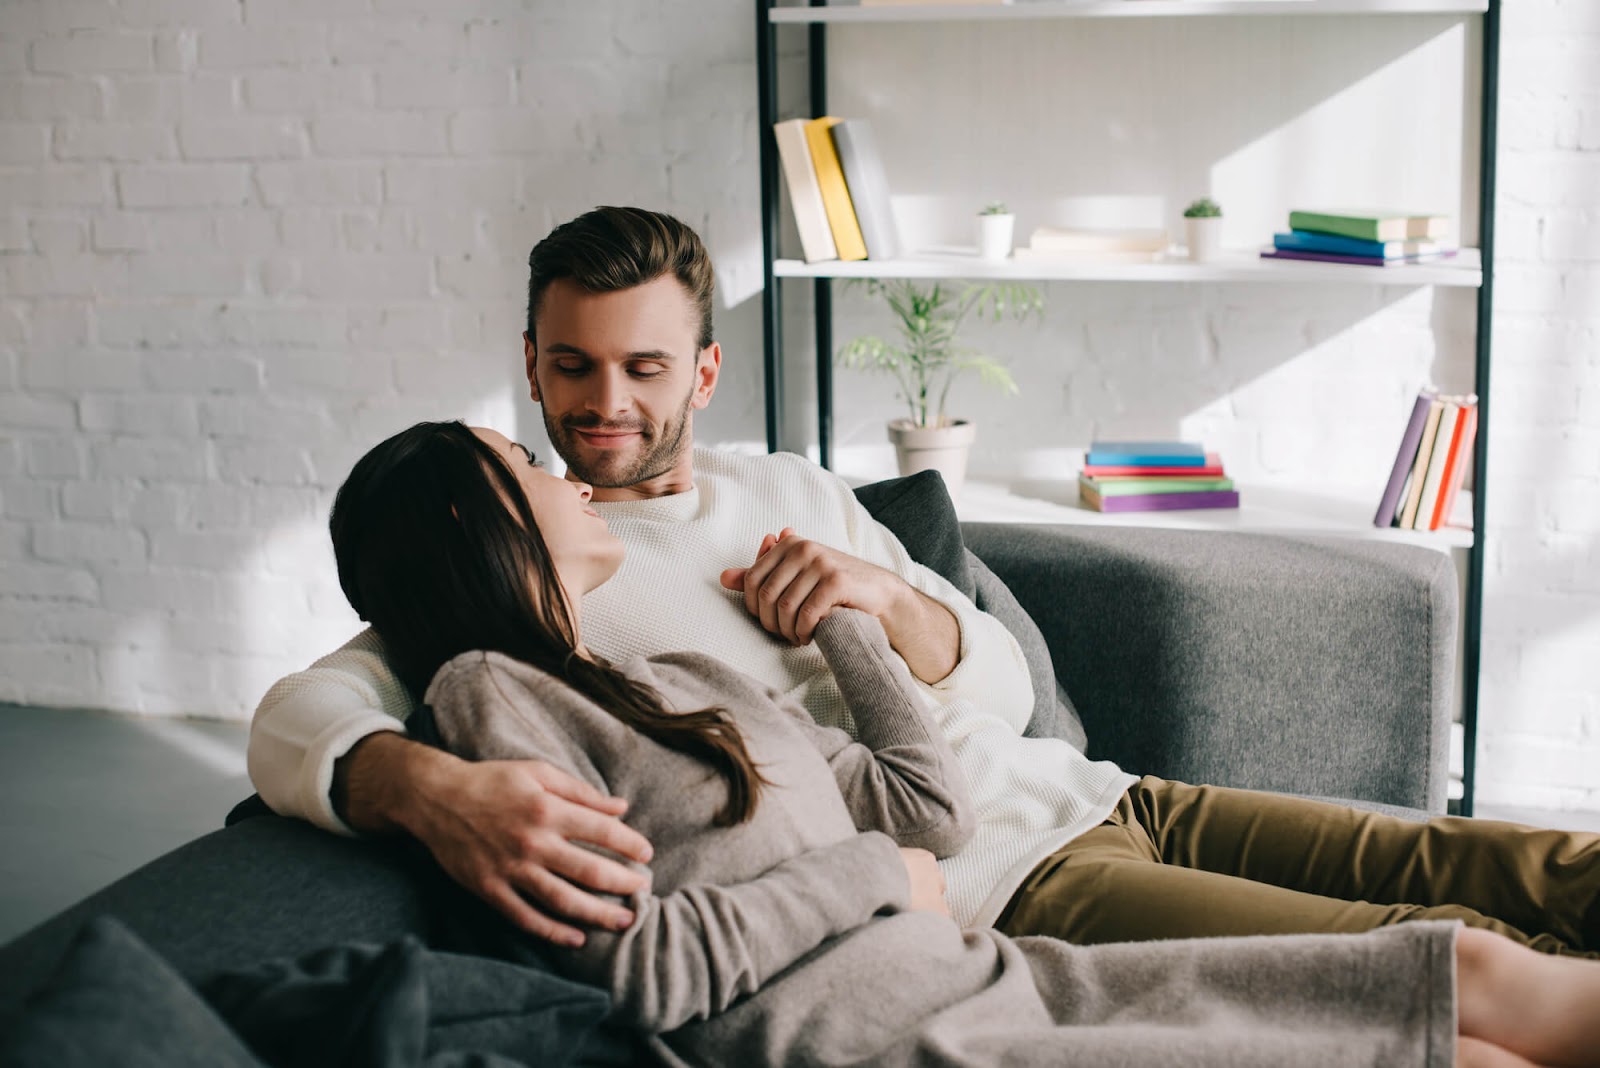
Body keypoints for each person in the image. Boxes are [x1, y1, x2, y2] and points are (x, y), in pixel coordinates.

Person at [249, 205, 1599, 958]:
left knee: (1495, 859)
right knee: (1408, 936)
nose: (601, 406)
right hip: (1007, 882)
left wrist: (890, 608)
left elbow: (1007, 685)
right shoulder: (515, 560)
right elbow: (302, 713)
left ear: (701, 372)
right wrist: (419, 784)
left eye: (642, 368)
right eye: (569, 367)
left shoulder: (789, 487)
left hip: (1092, 793)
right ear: (532, 360)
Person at [325, 417, 1600, 1068]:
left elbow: (917, 804)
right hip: (918, 1025)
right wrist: (884, 883)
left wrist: (852, 620)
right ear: (474, 513)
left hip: (1001, 959)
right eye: (528, 459)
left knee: (1467, 974)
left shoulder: (674, 671)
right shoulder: (489, 697)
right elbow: (647, 973)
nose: (571, 468)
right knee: (1460, 1035)